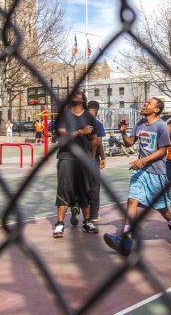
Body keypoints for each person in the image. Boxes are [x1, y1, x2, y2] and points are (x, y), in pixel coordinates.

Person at [103, 97, 171, 255]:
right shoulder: (140, 124)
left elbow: (163, 151)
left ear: (156, 110)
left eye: (148, 103)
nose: (144, 104)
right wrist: (123, 132)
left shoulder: (161, 126)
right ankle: (125, 239)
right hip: (140, 171)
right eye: (145, 102)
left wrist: (143, 160)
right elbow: (130, 143)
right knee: (132, 200)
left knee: (162, 207)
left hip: (156, 172)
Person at [52, 90, 99, 238]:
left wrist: (92, 158)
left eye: (78, 93)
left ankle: (87, 221)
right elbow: (62, 136)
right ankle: (60, 223)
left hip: (84, 160)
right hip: (67, 158)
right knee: (64, 190)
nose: (75, 95)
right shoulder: (63, 115)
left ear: (83, 99)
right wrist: (80, 132)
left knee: (85, 190)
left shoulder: (89, 117)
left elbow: (94, 139)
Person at [86, 100, 107, 222]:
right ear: (97, 110)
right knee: (94, 187)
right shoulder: (97, 123)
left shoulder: (79, 122)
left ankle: (77, 206)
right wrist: (103, 157)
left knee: (80, 184)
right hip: (92, 158)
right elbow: (98, 143)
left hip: (78, 158)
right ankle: (93, 214)